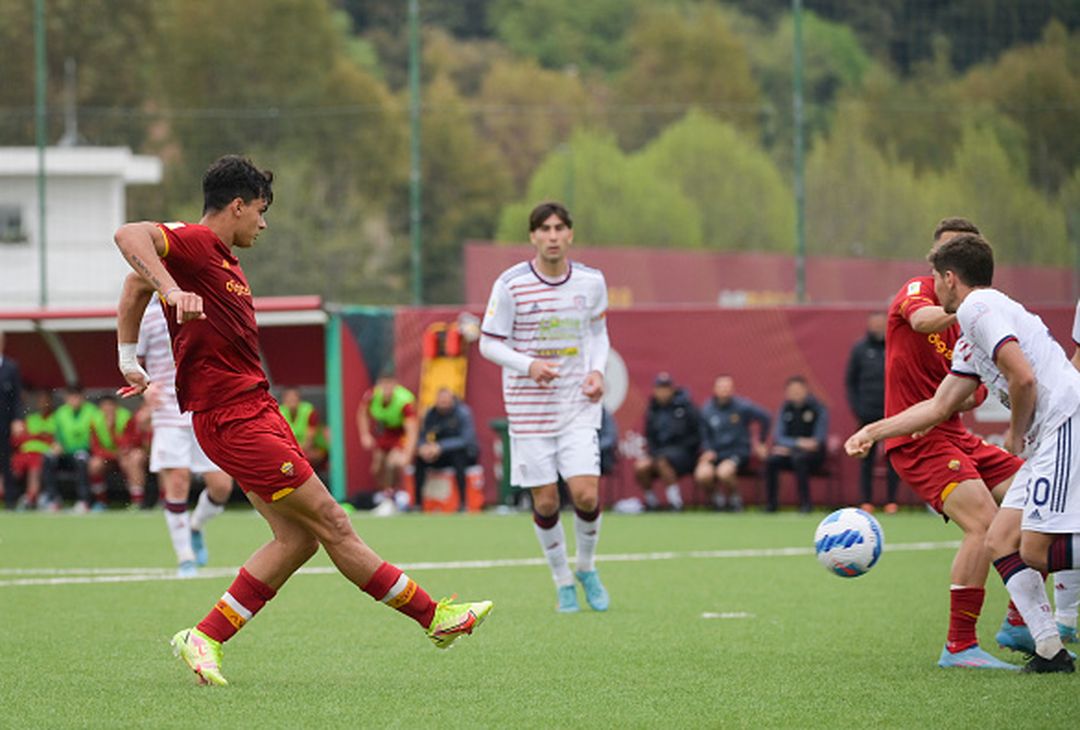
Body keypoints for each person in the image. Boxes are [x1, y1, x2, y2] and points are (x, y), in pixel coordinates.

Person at [113, 155, 491, 686]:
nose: (263, 224)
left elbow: (134, 286)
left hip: (253, 411)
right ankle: (436, 618)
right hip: (234, 418)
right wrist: (171, 293)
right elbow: (129, 234)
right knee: (334, 523)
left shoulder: (221, 260)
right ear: (238, 205)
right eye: (261, 212)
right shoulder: (197, 244)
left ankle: (205, 637)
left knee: (297, 541)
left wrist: (130, 355)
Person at [847, 233, 1080, 673]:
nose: (932, 283)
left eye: (937, 276)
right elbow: (939, 405)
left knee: (1029, 548)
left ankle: (985, 638)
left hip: (1065, 425)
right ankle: (1049, 651)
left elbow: (1024, 379)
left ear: (950, 279)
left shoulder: (975, 308)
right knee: (999, 540)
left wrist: (1016, 437)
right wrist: (873, 431)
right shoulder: (971, 327)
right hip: (1041, 432)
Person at [869, 217, 1024, 670]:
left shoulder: (970, 324)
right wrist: (970, 309)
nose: (946, 272)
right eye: (944, 259)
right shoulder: (917, 292)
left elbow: (977, 391)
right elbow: (920, 321)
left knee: (1031, 500)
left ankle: (1020, 620)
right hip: (918, 443)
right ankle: (959, 646)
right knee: (983, 524)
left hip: (955, 435)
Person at [479, 200, 610, 613]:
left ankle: (586, 567)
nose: (552, 236)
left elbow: (599, 333)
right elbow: (488, 342)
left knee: (586, 495)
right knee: (548, 502)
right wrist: (529, 364)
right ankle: (561, 580)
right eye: (544, 229)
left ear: (570, 234)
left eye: (559, 228)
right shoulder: (511, 284)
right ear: (533, 236)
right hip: (529, 412)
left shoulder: (591, 282)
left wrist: (597, 372)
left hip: (576, 405)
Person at [138, 298, 235, 577]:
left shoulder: (205, 302)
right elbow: (134, 358)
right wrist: (145, 388)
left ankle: (195, 527)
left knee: (221, 487)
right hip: (167, 408)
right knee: (177, 481)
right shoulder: (148, 313)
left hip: (205, 406)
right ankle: (185, 558)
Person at [845, 312, 900, 514]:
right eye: (874, 324)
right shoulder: (860, 349)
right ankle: (866, 501)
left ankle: (892, 501)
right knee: (865, 458)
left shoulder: (895, 346)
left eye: (881, 324)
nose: (878, 328)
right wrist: (858, 408)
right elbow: (850, 382)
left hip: (892, 415)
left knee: (893, 457)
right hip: (867, 414)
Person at [695, 375, 770, 512]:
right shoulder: (707, 409)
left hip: (737, 452)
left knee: (724, 472)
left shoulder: (742, 406)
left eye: (727, 387)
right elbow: (704, 433)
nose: (724, 390)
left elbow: (765, 417)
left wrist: (761, 441)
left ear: (732, 389)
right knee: (702, 473)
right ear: (715, 389)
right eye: (721, 387)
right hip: (716, 453)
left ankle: (735, 499)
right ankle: (717, 499)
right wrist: (707, 449)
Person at [634, 372, 700, 512]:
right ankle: (652, 503)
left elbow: (697, 434)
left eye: (666, 388)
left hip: (684, 454)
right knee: (641, 466)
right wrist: (654, 452)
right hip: (659, 453)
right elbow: (649, 436)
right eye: (659, 388)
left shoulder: (686, 407)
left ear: (672, 389)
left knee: (662, 462)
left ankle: (675, 503)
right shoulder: (652, 409)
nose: (663, 392)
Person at [763, 376, 828, 513]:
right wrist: (797, 444)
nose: (795, 393)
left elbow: (817, 440)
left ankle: (805, 504)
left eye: (798, 390)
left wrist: (793, 448)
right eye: (792, 390)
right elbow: (778, 437)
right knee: (771, 460)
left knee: (799, 459)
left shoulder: (818, 408)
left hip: (813, 456)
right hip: (790, 452)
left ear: (806, 390)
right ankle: (771, 505)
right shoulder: (785, 408)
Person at [357, 371, 418, 514]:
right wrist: (365, 434)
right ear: (378, 385)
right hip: (385, 432)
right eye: (383, 385)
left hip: (401, 433)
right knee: (377, 467)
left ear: (396, 385)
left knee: (393, 463)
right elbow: (362, 413)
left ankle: (394, 499)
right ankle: (386, 495)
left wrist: (407, 456)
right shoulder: (371, 396)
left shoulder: (405, 401)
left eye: (390, 385)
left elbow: (412, 430)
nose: (387, 389)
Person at [415, 387, 479, 511]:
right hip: (438, 454)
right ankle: (418, 504)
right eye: (440, 401)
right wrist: (424, 447)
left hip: (462, 454)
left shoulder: (463, 413)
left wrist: (441, 447)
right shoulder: (431, 414)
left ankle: (463, 503)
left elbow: (466, 440)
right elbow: (423, 435)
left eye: (446, 401)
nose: (443, 405)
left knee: (458, 457)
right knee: (420, 460)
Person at [44, 385, 99, 513]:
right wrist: (57, 445)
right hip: (65, 454)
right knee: (48, 458)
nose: (74, 400)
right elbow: (56, 435)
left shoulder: (92, 411)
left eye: (77, 397)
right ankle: (53, 500)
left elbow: (96, 435)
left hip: (85, 452)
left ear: (82, 397)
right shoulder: (60, 413)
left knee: (81, 459)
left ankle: (84, 501)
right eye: (71, 397)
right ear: (66, 399)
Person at [88, 394, 149, 509]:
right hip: (108, 456)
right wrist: (111, 454)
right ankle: (101, 502)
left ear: (116, 406)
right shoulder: (95, 420)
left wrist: (112, 430)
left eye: (110, 406)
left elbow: (130, 442)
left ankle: (137, 501)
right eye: (104, 406)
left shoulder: (126, 417)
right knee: (94, 464)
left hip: (125, 454)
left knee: (131, 461)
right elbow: (95, 447)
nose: (108, 409)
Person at [10, 390, 54, 510]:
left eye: (46, 400)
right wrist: (38, 436)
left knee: (35, 469)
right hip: (24, 453)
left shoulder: (55, 418)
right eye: (40, 400)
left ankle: (30, 498)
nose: (43, 403)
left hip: (41, 454)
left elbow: (52, 439)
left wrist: (34, 436)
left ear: (51, 402)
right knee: (11, 471)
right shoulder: (30, 418)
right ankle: (10, 497)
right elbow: (17, 439)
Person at [279, 387, 328, 474]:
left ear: (299, 399)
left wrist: (295, 454)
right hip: (291, 452)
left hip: (312, 448)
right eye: (289, 398)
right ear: (284, 400)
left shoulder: (309, 411)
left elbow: (310, 440)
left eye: (294, 397)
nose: (292, 400)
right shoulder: (279, 412)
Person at [0, 330, 22, 509]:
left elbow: (16, 397)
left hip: (4, 422)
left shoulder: (11, 367)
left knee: (6, 460)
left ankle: (10, 500)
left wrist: (17, 419)